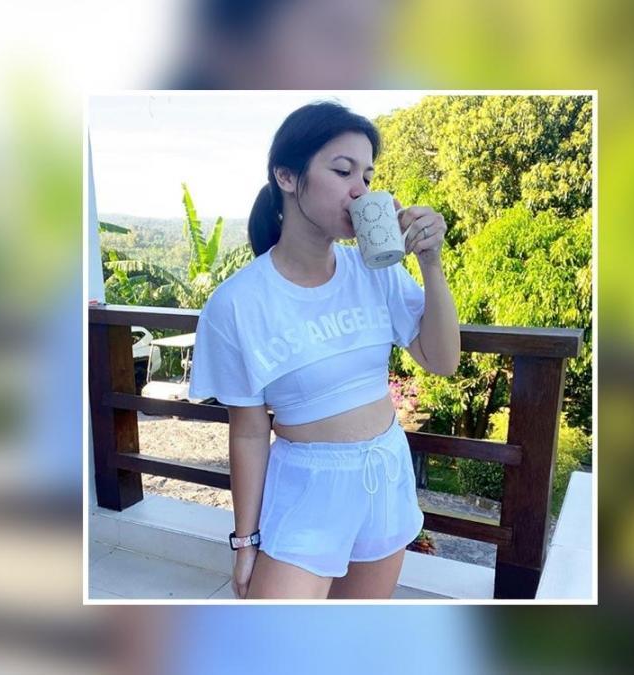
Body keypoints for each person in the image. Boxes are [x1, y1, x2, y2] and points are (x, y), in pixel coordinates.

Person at [189, 101, 460, 599]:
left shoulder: (375, 273)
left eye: (368, 176)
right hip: (308, 490)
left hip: (384, 474)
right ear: (287, 177)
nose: (361, 189)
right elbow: (249, 431)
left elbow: (442, 360)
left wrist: (432, 264)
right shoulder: (237, 304)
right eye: (342, 171)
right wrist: (246, 541)